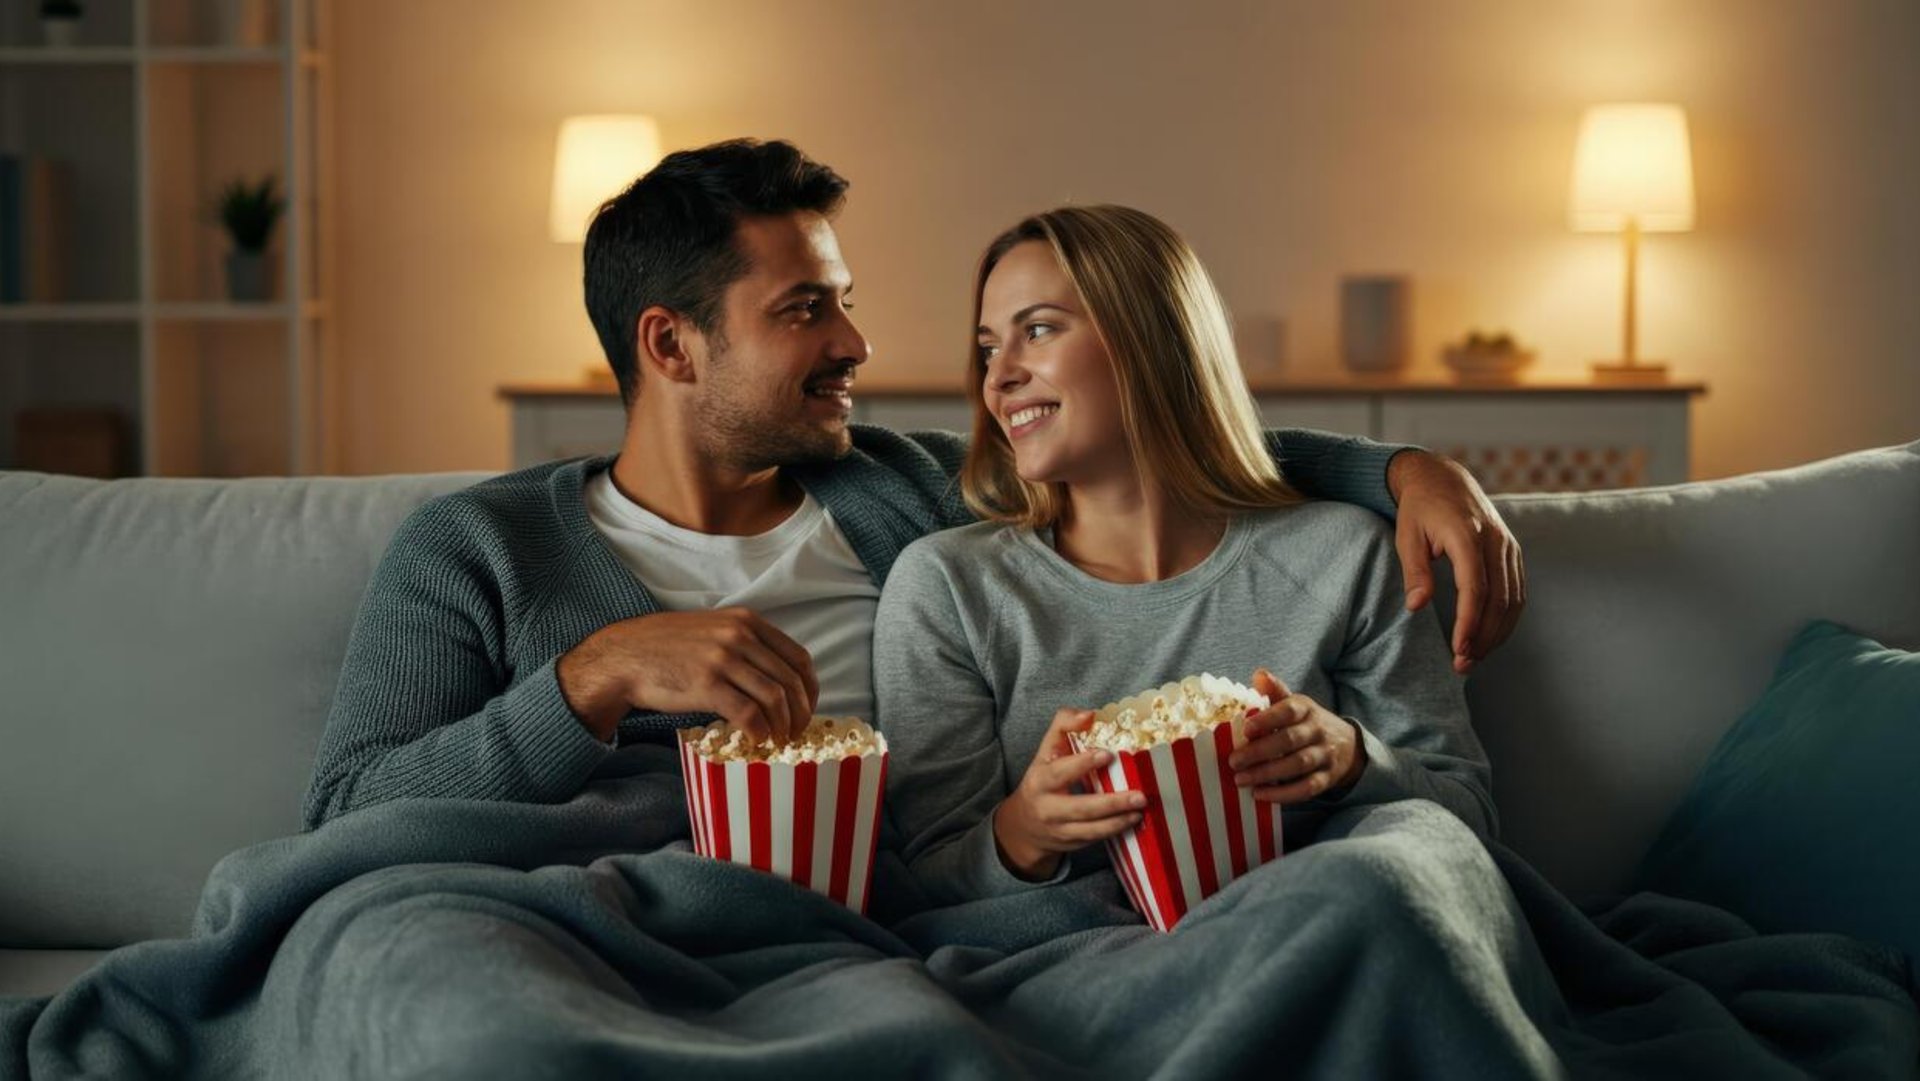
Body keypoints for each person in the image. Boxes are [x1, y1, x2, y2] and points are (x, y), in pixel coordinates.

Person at [302, 139, 1524, 831]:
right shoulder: (478, 546)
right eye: (804, 311)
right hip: (540, 908)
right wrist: (597, 677)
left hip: (822, 933)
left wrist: (1398, 468)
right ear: (671, 347)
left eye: (846, 300)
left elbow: (1132, 445)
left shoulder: (907, 496)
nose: (857, 345)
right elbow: (348, 812)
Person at [875, 204, 1494, 904]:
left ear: (1151, 339)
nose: (999, 377)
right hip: (1081, 966)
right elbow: (919, 884)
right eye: (989, 348)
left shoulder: (1343, 556)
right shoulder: (949, 586)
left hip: (1328, 926)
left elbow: (1465, 821)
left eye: (1038, 330)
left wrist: (1355, 759)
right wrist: (1025, 831)